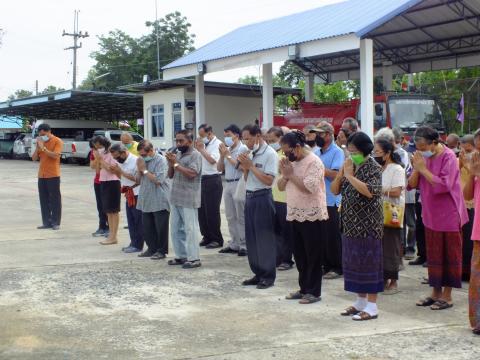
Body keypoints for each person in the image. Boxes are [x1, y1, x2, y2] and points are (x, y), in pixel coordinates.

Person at [409, 126, 468, 310]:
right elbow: (410, 184)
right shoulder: (421, 158)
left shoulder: (449, 156)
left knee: (450, 255)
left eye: (423, 147)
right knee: (433, 254)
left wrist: (422, 169)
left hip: (449, 213)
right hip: (430, 213)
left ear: (435, 143)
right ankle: (435, 292)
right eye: (417, 147)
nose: (421, 151)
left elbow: (444, 185)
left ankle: (447, 295)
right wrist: (417, 169)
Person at [331, 132, 383, 321]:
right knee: (354, 264)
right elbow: (335, 190)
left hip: (368, 226)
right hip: (350, 225)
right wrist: (341, 175)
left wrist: (350, 176)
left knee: (369, 264)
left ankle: (372, 306)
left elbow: (370, 192)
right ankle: (360, 301)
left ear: (364, 150)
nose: (351, 155)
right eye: (349, 151)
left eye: (354, 151)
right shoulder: (350, 165)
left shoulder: (373, 167)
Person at [278, 132, 329, 304]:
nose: (286, 155)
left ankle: (314, 292)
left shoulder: (314, 162)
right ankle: (303, 288)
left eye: (287, 151)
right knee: (299, 255)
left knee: (313, 255)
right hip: (294, 213)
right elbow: (279, 186)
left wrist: (291, 175)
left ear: (297, 147)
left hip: (312, 214)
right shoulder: (290, 163)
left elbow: (310, 187)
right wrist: (285, 175)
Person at [238, 124, 278, 289]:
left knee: (264, 239)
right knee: (252, 238)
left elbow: (269, 181)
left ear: (258, 137)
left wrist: (251, 166)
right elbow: (247, 178)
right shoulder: (250, 153)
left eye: (248, 138)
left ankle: (268, 276)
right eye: (243, 139)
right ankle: (257, 272)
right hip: (250, 197)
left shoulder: (270, 154)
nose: (245, 142)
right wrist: (245, 167)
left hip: (263, 197)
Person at [312, 122, 345, 279]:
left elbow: (335, 175)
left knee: (333, 236)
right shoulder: (317, 152)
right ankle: (326, 265)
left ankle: (337, 267)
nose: (318, 136)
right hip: (318, 199)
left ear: (330, 134)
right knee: (321, 236)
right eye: (317, 133)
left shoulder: (337, 152)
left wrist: (317, 168)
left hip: (332, 200)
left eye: (321, 133)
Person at [166, 130, 203, 269]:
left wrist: (175, 164)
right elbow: (170, 175)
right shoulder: (179, 154)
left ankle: (194, 259)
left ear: (190, 141)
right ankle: (181, 256)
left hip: (189, 197)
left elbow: (192, 174)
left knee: (190, 229)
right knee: (175, 229)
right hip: (175, 196)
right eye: (176, 141)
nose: (178, 144)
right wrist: (170, 163)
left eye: (181, 141)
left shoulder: (196, 155)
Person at [374, 138, 405, 295]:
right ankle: (383, 278)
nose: (375, 155)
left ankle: (393, 281)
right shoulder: (380, 168)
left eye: (378, 152)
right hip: (378, 212)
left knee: (391, 246)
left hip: (392, 213)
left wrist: (378, 190)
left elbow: (396, 192)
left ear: (387, 153)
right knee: (380, 246)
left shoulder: (396, 169)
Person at [135, 140, 170, 259]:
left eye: (144, 154)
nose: (142, 157)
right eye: (140, 154)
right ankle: (151, 248)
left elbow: (158, 180)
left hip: (159, 198)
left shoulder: (161, 160)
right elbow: (137, 180)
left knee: (160, 227)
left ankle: (161, 251)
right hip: (146, 197)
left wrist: (144, 170)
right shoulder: (141, 160)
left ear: (151, 151)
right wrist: (139, 169)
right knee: (147, 226)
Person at [217, 124, 248, 256]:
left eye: (229, 135)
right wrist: (222, 156)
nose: (227, 138)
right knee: (230, 216)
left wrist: (228, 156)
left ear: (236, 135)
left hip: (239, 183)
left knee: (240, 215)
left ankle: (244, 244)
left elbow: (242, 168)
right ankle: (234, 243)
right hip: (228, 184)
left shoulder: (243, 148)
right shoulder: (226, 150)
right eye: (225, 136)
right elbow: (219, 169)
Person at [267, 126, 294, 271]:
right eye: (269, 140)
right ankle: (278, 257)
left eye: (274, 140)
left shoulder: (288, 155)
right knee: (276, 229)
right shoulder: (274, 153)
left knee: (286, 231)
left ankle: (287, 259)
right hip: (274, 195)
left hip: (286, 198)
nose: (271, 142)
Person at [109, 143, 143, 253]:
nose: (116, 159)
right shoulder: (121, 161)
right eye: (114, 158)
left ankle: (138, 245)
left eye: (117, 157)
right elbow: (121, 177)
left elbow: (137, 180)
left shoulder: (136, 161)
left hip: (137, 193)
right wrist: (116, 171)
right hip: (129, 192)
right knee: (131, 220)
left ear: (124, 152)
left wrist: (120, 171)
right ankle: (133, 242)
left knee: (138, 221)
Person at [196, 124, 224, 249]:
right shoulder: (203, 144)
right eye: (199, 135)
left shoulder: (218, 144)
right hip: (201, 179)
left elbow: (213, 161)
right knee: (201, 211)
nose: (201, 138)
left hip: (213, 179)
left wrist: (201, 149)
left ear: (209, 133)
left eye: (202, 135)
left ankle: (216, 238)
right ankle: (206, 236)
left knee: (212, 211)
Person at [32, 123, 63, 230]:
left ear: (49, 131)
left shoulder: (57, 141)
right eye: (40, 134)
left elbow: (55, 156)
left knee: (55, 199)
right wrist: (37, 147)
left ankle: (56, 222)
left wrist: (44, 148)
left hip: (53, 174)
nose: (42, 136)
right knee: (43, 199)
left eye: (44, 134)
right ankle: (46, 222)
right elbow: (34, 158)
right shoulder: (40, 143)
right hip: (42, 175)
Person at [463, 143, 480, 335]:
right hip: (477, 231)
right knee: (477, 280)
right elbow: (467, 196)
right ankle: (477, 321)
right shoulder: (476, 166)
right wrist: (472, 174)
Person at [91, 135, 121, 245]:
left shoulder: (111, 153)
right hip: (103, 181)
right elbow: (96, 170)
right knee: (108, 211)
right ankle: (111, 235)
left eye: (98, 145)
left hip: (112, 182)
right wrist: (97, 160)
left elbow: (111, 169)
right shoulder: (101, 154)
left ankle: (114, 236)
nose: (96, 147)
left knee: (114, 211)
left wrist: (99, 159)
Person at [459, 134, 476, 281]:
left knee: (470, 240)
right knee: (464, 239)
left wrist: (467, 165)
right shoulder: (462, 158)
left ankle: (468, 271)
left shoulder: (475, 158)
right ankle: (463, 270)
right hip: (463, 202)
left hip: (473, 205)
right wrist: (461, 163)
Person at [89, 140, 109, 237]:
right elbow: (94, 168)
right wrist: (97, 159)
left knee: (107, 206)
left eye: (98, 147)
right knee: (100, 206)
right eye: (94, 148)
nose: (95, 150)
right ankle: (102, 226)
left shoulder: (108, 153)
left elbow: (105, 168)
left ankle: (109, 227)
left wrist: (99, 160)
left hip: (107, 181)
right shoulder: (94, 154)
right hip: (97, 181)